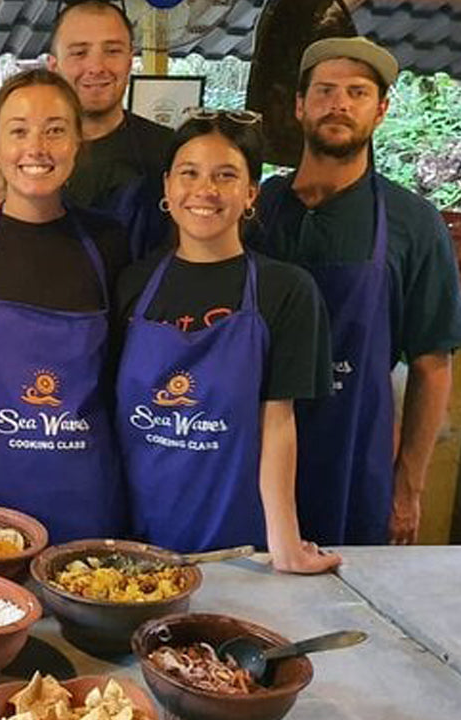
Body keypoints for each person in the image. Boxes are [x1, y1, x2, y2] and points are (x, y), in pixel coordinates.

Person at [251, 37, 461, 545]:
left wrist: (408, 485)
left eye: (358, 92)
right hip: (246, 459)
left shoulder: (414, 223)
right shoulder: (257, 208)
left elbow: (432, 366)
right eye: (325, 90)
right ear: (300, 106)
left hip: (351, 468)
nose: (340, 104)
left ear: (381, 111)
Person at [114, 111, 339, 572]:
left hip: (235, 551)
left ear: (251, 193)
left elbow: (279, 423)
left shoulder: (287, 291)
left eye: (226, 176)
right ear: (167, 187)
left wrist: (285, 545)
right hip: (130, 546)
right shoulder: (132, 284)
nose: (205, 190)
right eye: (189, 173)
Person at [0, 69, 127, 543]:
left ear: (78, 144)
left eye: (55, 130)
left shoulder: (110, 241)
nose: (37, 147)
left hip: (88, 494)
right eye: (19, 131)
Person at [46, 0, 173, 212]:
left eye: (112, 51)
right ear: (53, 67)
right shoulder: (31, 155)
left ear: (130, 61)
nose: (96, 67)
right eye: (79, 53)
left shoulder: (170, 152)